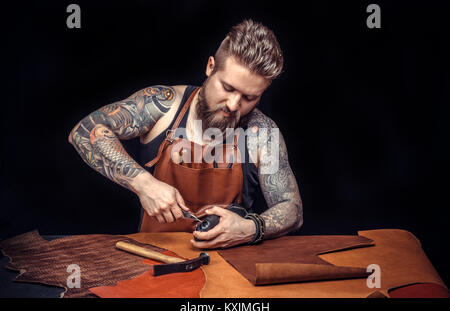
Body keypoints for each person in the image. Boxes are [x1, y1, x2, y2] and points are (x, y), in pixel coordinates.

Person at [68, 19, 303, 249]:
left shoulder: (262, 134)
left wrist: (251, 228)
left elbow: (291, 208)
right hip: (153, 258)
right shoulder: (163, 105)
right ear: (211, 67)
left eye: (249, 97)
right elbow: (84, 131)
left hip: (230, 265)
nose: (233, 105)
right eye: (228, 88)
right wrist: (144, 184)